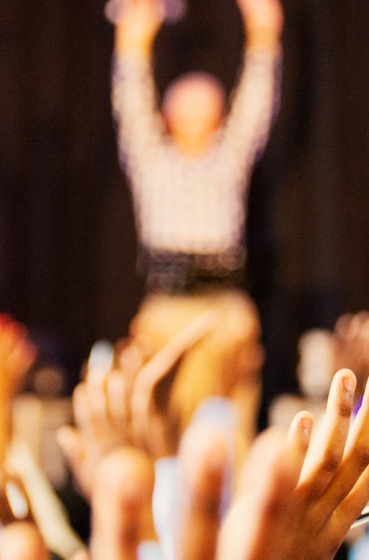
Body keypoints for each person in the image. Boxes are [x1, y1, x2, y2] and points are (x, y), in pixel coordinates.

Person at [111, 0, 282, 459]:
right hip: (167, 310)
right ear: (168, 116)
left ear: (220, 115)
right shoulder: (152, 159)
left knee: (228, 440)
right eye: (185, 104)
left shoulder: (228, 159)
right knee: (165, 434)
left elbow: (258, 100)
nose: (196, 110)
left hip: (224, 312)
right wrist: (135, 34)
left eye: (207, 103)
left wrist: (263, 28)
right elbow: (131, 95)